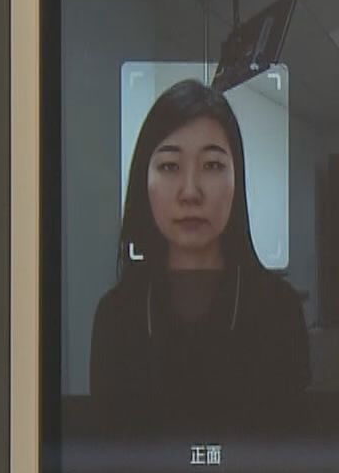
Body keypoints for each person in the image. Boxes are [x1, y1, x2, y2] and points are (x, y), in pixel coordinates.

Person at [88, 79, 311, 405]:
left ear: (237, 180)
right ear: (142, 180)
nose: (190, 192)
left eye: (212, 165)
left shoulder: (279, 311)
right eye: (170, 166)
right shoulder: (116, 316)